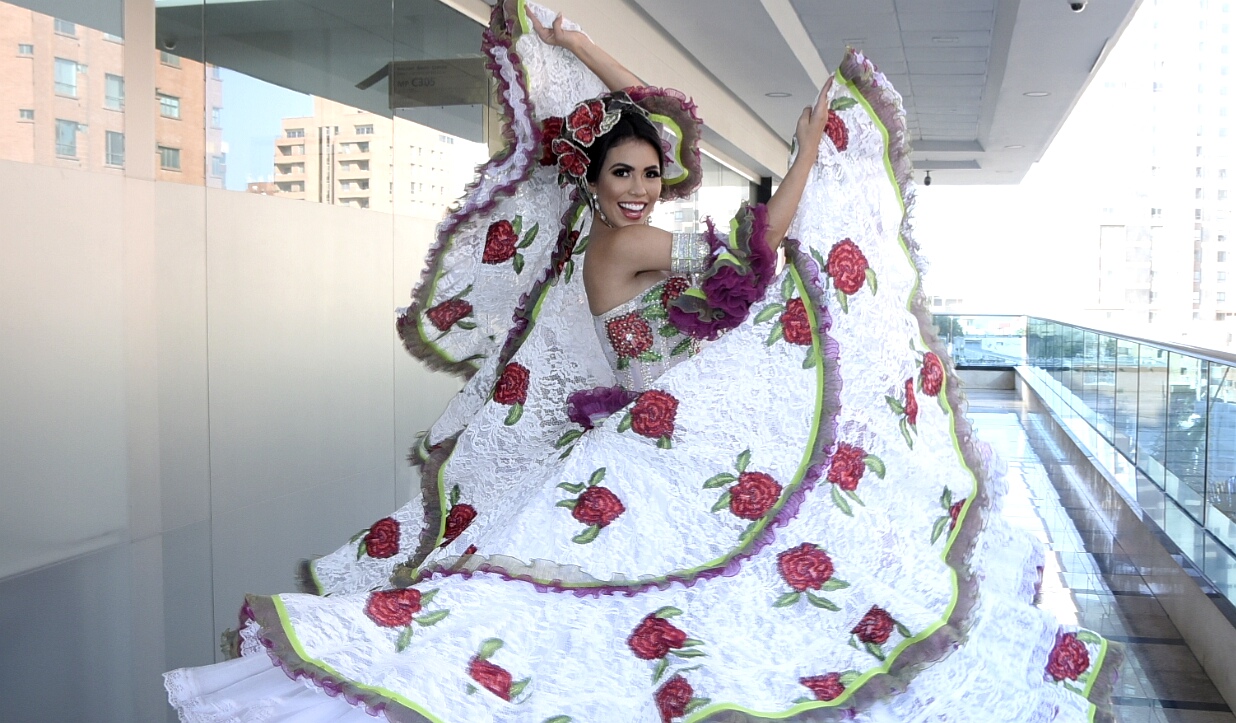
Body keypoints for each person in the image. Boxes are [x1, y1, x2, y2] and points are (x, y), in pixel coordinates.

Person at [165, 2, 1120, 722]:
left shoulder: (641, 224)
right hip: (659, 427)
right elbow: (770, 235)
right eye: (620, 173)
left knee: (729, 565)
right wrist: (804, 149)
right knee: (665, 589)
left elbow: (651, 114)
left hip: (663, 419)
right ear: (594, 182)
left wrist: (576, 39)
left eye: (648, 172)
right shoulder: (623, 247)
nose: (637, 185)